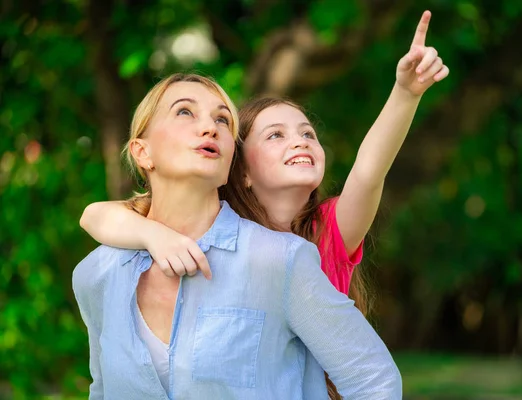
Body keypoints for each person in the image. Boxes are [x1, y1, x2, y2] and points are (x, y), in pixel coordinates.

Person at [73, 72, 402, 399]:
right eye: (185, 111)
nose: (209, 127)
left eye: (222, 119)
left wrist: (405, 91)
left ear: (231, 159)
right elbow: (101, 391)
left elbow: (374, 381)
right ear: (142, 152)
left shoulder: (281, 258)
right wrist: (151, 235)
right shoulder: (96, 275)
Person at [80, 10, 448, 303]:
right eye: (276, 135)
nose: (300, 142)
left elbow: (369, 170)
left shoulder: (327, 233)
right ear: (242, 172)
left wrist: (405, 93)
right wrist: (151, 235)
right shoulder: (224, 228)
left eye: (308, 133)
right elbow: (95, 214)